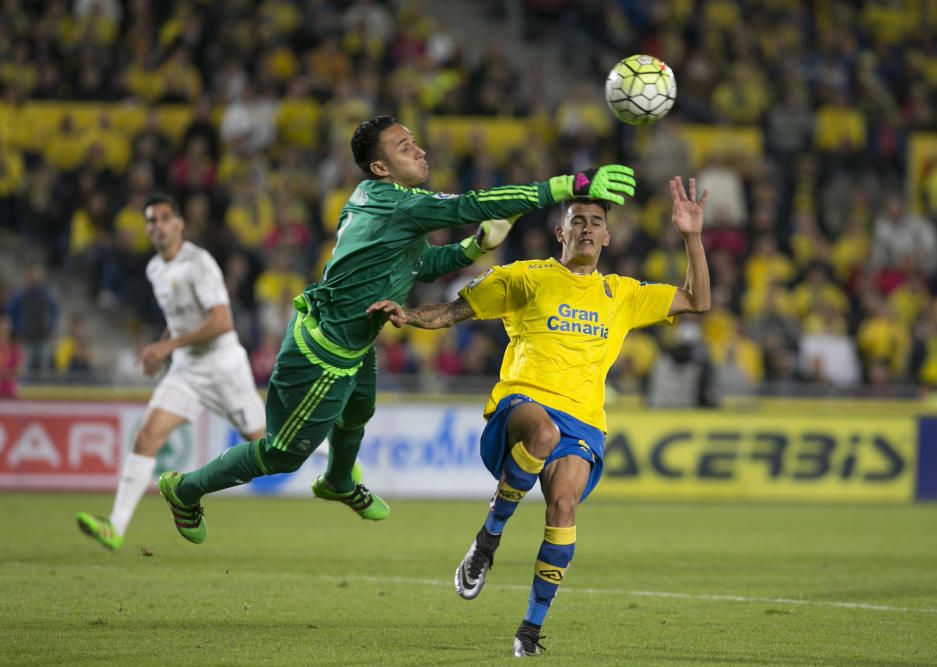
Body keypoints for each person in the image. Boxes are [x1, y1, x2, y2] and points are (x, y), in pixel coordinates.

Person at [156, 114, 636, 544]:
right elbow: (470, 204)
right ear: (381, 167)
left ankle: (339, 481)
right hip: (322, 354)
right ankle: (185, 489)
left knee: (358, 411)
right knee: (281, 455)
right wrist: (566, 184)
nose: (420, 150)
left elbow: (420, 265)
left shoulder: (381, 200)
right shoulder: (400, 205)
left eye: (415, 142)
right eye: (405, 147)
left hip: (354, 338)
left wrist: (474, 248)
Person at [367, 176, 710, 657]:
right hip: (523, 405)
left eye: (596, 223)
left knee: (564, 509)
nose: (588, 230)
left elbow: (698, 300)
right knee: (543, 433)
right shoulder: (524, 277)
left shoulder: (623, 294)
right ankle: (489, 539)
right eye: (578, 222)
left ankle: (529, 629)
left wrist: (692, 236)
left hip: (585, 422)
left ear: (608, 237)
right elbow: (451, 312)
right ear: (560, 232)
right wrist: (407, 316)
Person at [75, 193, 267, 551]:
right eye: (151, 220)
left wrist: (167, 346)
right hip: (186, 370)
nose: (158, 226)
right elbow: (178, 322)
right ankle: (114, 527)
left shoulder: (199, 263)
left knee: (268, 448)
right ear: (146, 229)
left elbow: (222, 321)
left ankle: (331, 458)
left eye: (165, 218)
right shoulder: (155, 269)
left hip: (224, 367)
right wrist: (162, 347)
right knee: (146, 437)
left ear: (179, 224)